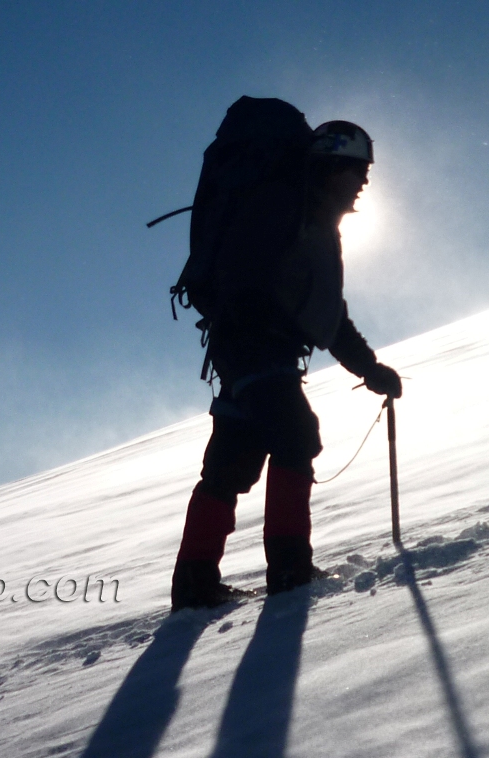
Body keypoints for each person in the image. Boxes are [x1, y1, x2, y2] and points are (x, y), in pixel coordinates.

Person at [171, 119, 402, 612]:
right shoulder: (293, 213)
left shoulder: (306, 217)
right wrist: (260, 326)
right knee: (296, 435)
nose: (364, 181)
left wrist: (369, 368)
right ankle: (290, 570)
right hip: (259, 349)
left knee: (229, 464)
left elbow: (325, 313)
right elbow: (302, 302)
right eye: (358, 170)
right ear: (333, 167)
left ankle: (194, 586)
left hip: (242, 351)